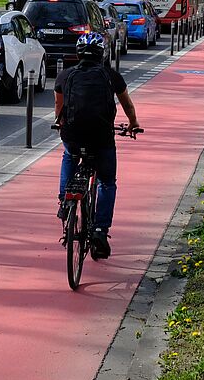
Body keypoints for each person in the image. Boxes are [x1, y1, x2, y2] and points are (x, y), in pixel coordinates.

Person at [53, 32, 140, 260]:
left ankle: (65, 201)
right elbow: (127, 106)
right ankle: (100, 230)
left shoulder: (64, 76)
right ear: (102, 54)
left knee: (69, 155)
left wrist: (61, 125)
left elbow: (59, 108)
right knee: (107, 182)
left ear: (78, 53)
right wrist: (133, 124)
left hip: (73, 136)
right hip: (101, 137)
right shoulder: (111, 76)